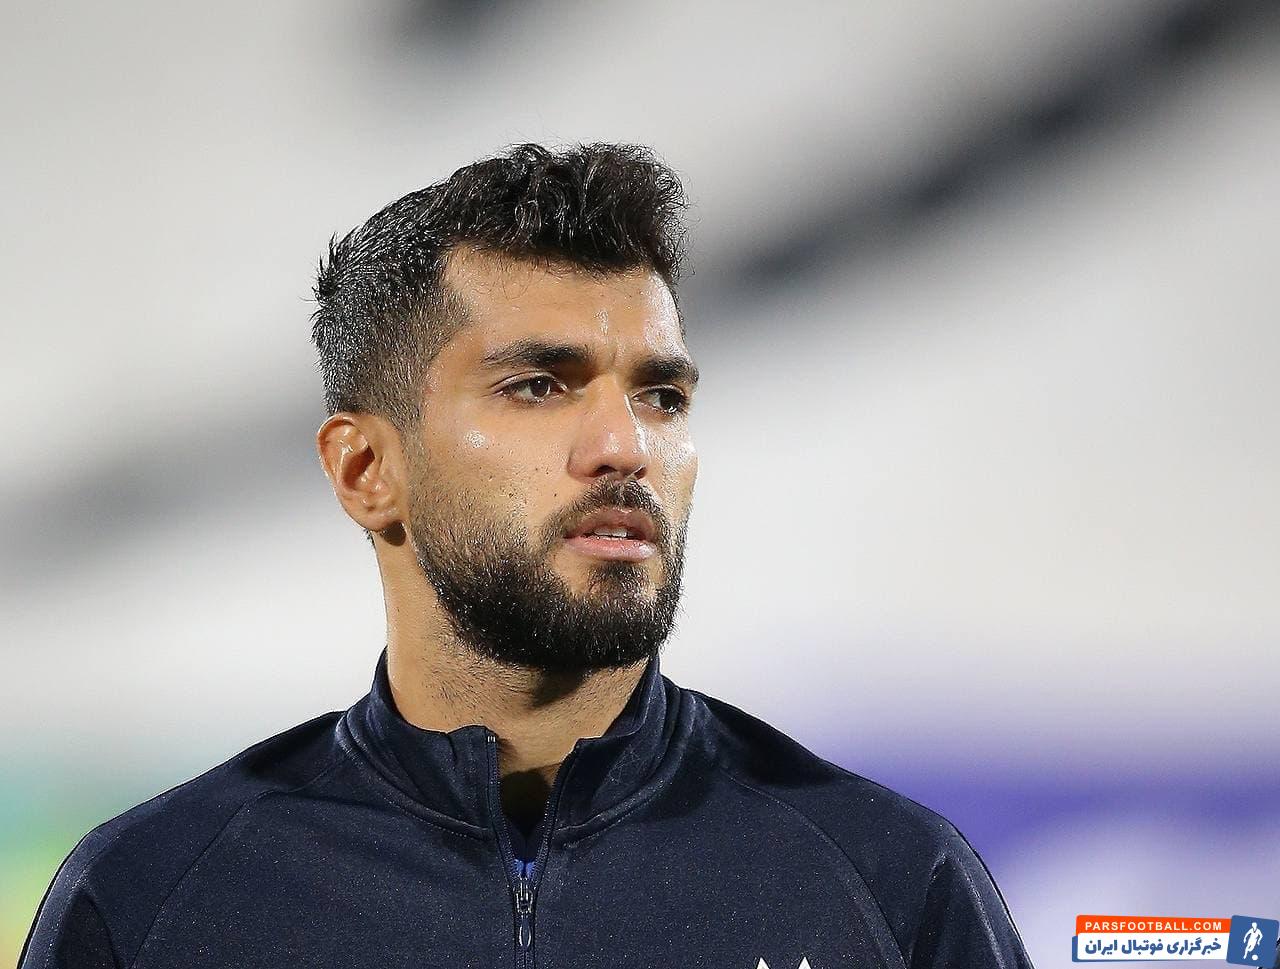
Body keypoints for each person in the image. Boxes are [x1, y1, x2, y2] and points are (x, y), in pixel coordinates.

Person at [18, 143, 1035, 969]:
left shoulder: (890, 885)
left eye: (661, 396)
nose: (624, 446)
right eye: (540, 386)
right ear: (366, 468)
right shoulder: (157, 900)